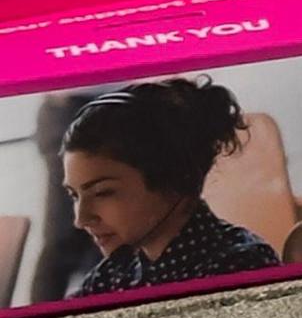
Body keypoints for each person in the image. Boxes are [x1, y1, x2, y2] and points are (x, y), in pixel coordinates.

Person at [63, 80, 280, 297]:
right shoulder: (112, 275)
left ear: (172, 177)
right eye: (74, 195)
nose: (81, 219)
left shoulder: (239, 267)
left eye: (103, 193)